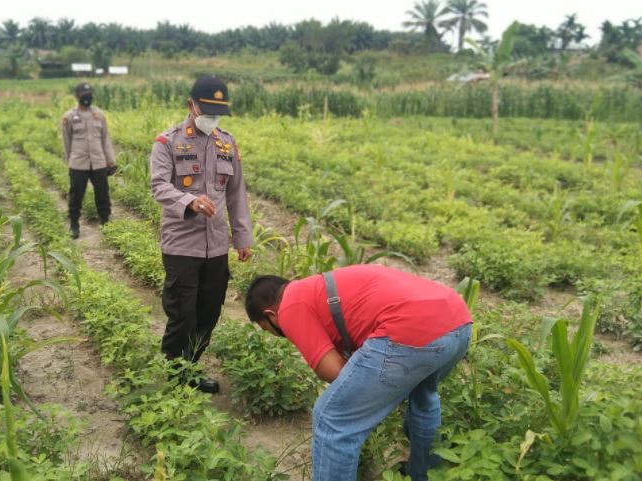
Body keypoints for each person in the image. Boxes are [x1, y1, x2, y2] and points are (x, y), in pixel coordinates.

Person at [244, 264, 473, 481]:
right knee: (423, 398)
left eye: (267, 329)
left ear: (270, 315)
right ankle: (425, 474)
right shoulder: (317, 287)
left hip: (410, 331)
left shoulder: (289, 306)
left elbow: (333, 371)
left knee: (332, 418)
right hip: (458, 322)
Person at [150, 75, 253, 394]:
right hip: (182, 245)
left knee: (209, 310)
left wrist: (242, 238)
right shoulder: (168, 142)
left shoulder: (227, 143)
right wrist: (189, 200)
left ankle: (192, 367)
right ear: (191, 105)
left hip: (217, 246)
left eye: (217, 111)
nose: (212, 117)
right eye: (206, 110)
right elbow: (158, 186)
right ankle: (173, 373)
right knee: (182, 313)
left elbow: (236, 193)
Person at [60, 83, 116, 239]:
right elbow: (66, 141)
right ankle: (74, 225)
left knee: (103, 193)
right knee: (76, 195)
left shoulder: (99, 114)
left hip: (98, 162)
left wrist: (110, 160)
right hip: (78, 163)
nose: (87, 97)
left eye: (89, 94)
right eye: (84, 94)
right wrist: (70, 160)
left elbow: (106, 138)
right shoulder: (69, 117)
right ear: (77, 97)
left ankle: (105, 222)